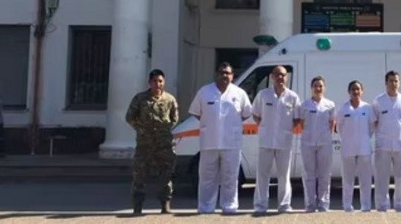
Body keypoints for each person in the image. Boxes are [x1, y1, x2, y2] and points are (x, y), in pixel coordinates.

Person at [188, 62, 252, 214]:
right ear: (216, 74)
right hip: (209, 142)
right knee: (207, 178)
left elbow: (246, 113)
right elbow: (196, 112)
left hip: (231, 143)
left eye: (228, 73)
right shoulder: (204, 92)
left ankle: (229, 207)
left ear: (232, 76)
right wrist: (211, 124)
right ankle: (205, 207)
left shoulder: (239, 93)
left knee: (230, 177)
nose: (225, 75)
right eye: (222, 72)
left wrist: (230, 125)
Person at [125, 69, 179, 215]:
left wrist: (163, 130)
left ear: (164, 82)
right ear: (149, 82)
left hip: (164, 145)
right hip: (145, 144)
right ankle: (137, 206)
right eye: (154, 81)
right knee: (139, 175)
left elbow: (174, 119)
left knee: (166, 175)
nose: (158, 84)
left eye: (160, 81)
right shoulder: (140, 99)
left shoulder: (170, 99)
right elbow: (130, 117)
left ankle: (165, 204)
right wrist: (141, 129)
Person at [252, 65, 301, 215]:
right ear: (272, 76)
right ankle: (261, 205)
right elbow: (256, 114)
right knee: (262, 175)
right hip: (266, 140)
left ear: (287, 77)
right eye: (277, 75)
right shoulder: (263, 95)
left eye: (283, 75)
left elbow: (297, 118)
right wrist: (266, 127)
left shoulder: (293, 97)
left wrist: (284, 129)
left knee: (284, 175)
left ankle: (284, 205)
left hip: (284, 141)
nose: (280, 77)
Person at [372, 70, 401, 212]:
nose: (393, 83)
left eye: (396, 81)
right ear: (386, 83)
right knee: (381, 179)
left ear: (399, 82)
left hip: (400, 145)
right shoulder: (378, 101)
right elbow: (374, 122)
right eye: (391, 81)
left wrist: (400, 134)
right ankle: (382, 205)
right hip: (383, 145)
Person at [336, 80, 376, 212]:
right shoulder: (343, 108)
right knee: (348, 179)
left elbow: (371, 126)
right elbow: (339, 127)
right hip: (348, 149)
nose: (355, 92)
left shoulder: (367, 108)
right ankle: (347, 205)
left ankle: (366, 206)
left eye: (358, 89)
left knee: (365, 180)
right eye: (353, 89)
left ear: (362, 91)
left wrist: (364, 138)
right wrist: (348, 139)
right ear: (349, 92)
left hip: (364, 148)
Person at [299, 76, 335, 212]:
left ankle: (324, 203)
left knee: (325, 174)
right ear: (311, 88)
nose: (318, 88)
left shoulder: (330, 105)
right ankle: (310, 203)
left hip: (324, 143)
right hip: (307, 143)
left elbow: (331, 124)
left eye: (320, 86)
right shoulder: (304, 105)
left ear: (324, 88)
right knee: (309, 175)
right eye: (315, 86)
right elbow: (302, 123)